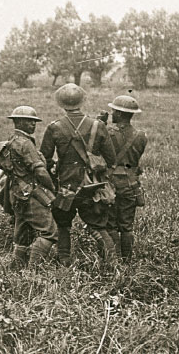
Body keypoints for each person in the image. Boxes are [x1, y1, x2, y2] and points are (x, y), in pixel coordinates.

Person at [40, 84, 116, 266]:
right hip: (92, 186)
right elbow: (111, 159)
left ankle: (64, 260)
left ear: (61, 103)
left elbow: (46, 160)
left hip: (66, 185)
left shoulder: (54, 128)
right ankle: (112, 263)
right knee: (97, 225)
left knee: (63, 223)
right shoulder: (98, 126)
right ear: (82, 101)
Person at [0, 106, 59, 270]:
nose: (33, 124)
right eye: (30, 121)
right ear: (19, 122)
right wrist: (52, 188)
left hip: (15, 194)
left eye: (34, 121)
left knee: (22, 235)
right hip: (31, 194)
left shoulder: (10, 141)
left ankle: (16, 269)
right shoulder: (25, 144)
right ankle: (32, 271)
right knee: (50, 232)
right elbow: (39, 171)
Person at [101, 95, 147, 262]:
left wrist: (102, 124)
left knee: (110, 224)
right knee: (127, 227)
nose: (112, 113)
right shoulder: (141, 136)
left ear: (119, 114)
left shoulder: (107, 133)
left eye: (114, 111)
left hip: (111, 183)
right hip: (131, 184)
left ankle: (113, 260)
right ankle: (127, 261)